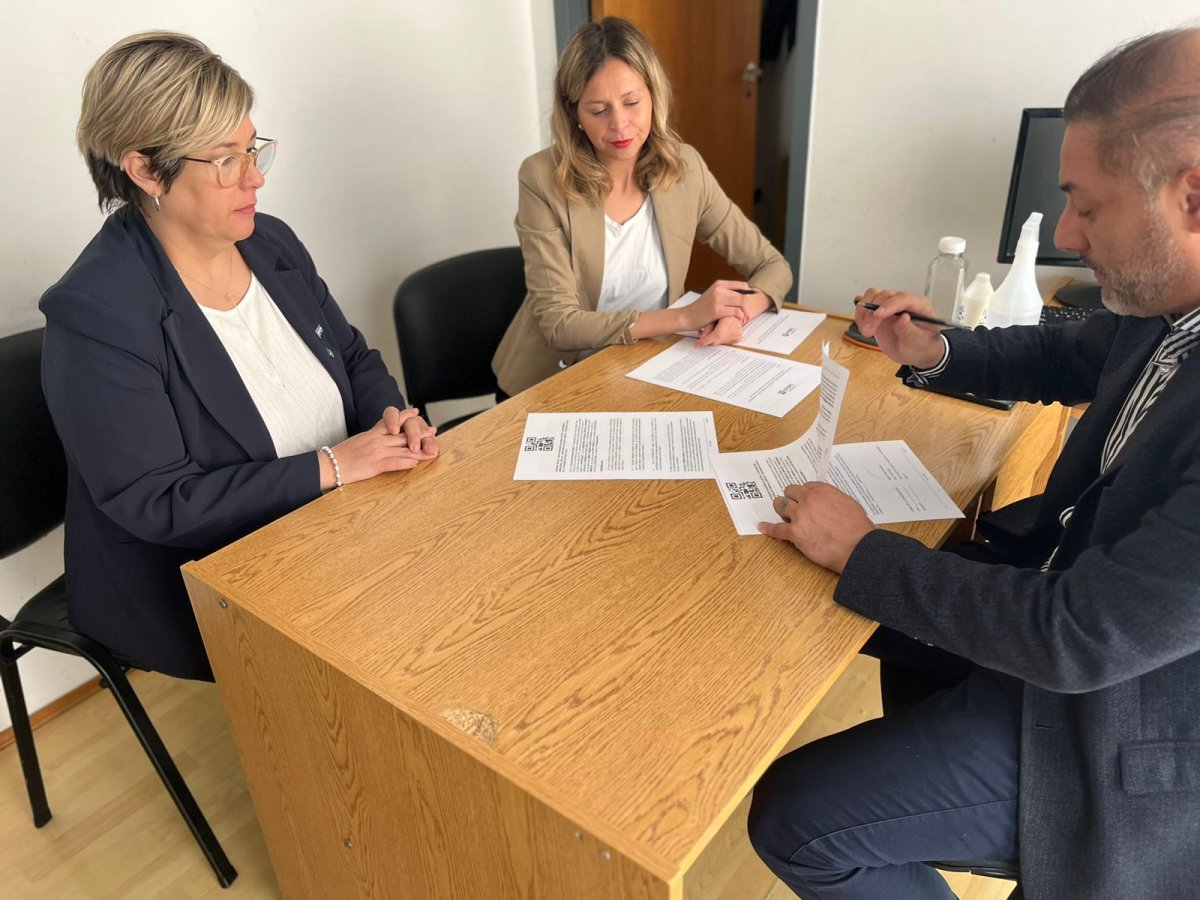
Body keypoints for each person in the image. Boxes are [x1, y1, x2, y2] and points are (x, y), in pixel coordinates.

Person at [748, 26, 1200, 900]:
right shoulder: (1168, 305)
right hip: (1064, 614)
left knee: (797, 818)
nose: (1066, 232)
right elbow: (1063, 351)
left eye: (1088, 206)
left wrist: (863, 549)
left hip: (1124, 725)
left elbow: (1078, 637)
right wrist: (933, 347)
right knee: (843, 609)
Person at [40, 32, 438, 682]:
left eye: (252, 148)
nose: (255, 176)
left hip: (342, 521)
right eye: (225, 160)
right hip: (206, 573)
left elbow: (352, 356)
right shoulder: (96, 313)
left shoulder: (270, 242)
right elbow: (161, 501)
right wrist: (335, 465)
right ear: (146, 171)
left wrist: (392, 419)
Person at [492, 17, 793, 397]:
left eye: (632, 103)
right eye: (598, 110)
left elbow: (772, 266)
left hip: (646, 372)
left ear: (654, 95)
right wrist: (686, 317)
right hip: (553, 382)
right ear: (574, 114)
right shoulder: (541, 179)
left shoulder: (684, 169)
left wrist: (739, 313)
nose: (620, 125)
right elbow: (560, 324)